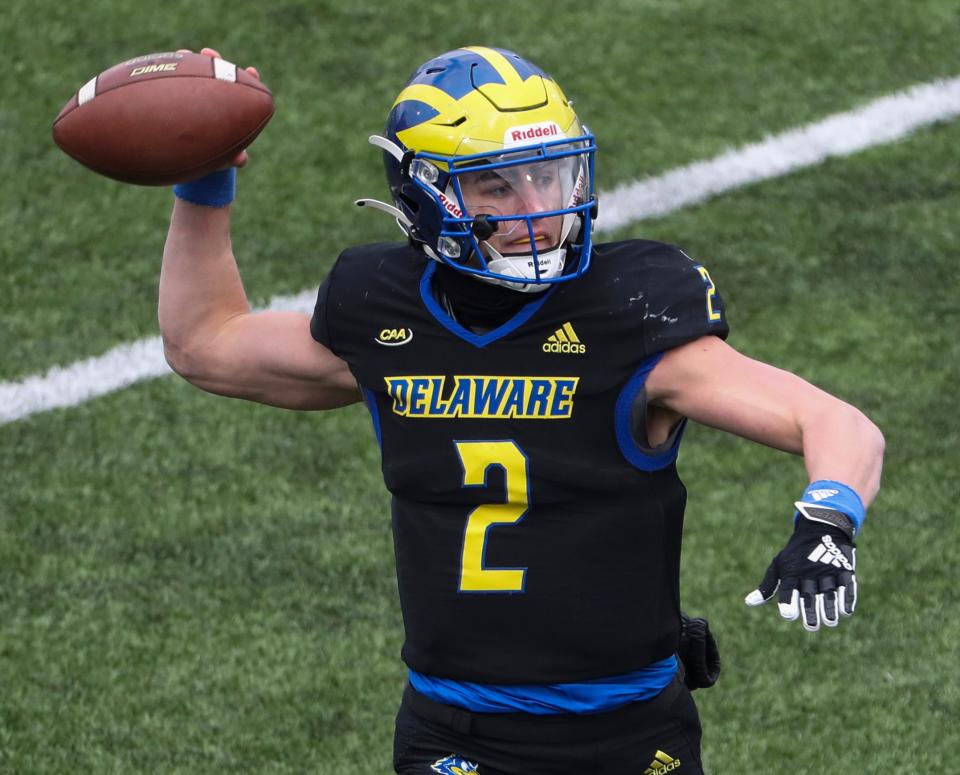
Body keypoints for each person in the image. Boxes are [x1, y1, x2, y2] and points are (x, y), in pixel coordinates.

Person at [160, 46, 884, 774]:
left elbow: (832, 422)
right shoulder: (383, 310)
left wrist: (828, 516)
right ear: (426, 194)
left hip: (626, 732)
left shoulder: (629, 310)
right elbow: (205, 345)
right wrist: (202, 180)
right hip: (453, 732)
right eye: (497, 188)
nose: (538, 209)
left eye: (548, 174)